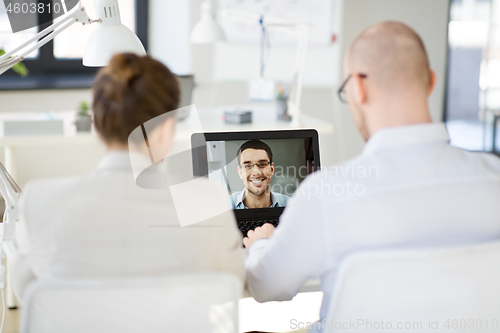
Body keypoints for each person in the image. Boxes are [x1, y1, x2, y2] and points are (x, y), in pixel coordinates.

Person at [243, 21, 500, 330]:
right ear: (431, 82)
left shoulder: (325, 195)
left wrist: (262, 244)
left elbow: (266, 287)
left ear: (359, 88)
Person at [11, 54, 244, 299]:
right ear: (164, 130)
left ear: (98, 125)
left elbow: (27, 291)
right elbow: (233, 284)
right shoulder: (207, 202)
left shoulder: (39, 200)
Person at [230, 140, 289, 209]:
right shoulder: (224, 207)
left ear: (272, 169)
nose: (256, 173)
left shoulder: (291, 204)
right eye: (248, 166)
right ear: (240, 172)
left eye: (262, 164)